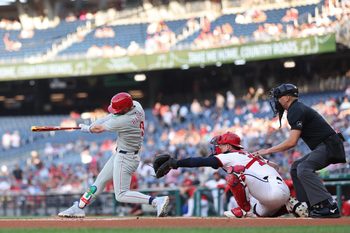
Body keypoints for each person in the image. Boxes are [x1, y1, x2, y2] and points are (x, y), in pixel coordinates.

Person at [58, 92, 169, 218]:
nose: (116, 111)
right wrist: (91, 125)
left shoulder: (124, 121)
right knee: (99, 181)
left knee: (121, 194)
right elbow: (110, 116)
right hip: (122, 154)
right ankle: (79, 207)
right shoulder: (136, 105)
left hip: (125, 158)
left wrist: (88, 129)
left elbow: (99, 129)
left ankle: (156, 201)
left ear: (125, 109)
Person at [253, 83, 346, 218]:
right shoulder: (296, 108)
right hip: (327, 144)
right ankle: (307, 206)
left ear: (286, 98)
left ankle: (329, 206)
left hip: (329, 145)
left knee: (304, 168)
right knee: (296, 168)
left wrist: (267, 151)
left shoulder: (295, 109)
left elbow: (291, 142)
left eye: (278, 97)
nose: (276, 101)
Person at [154, 132, 295, 218]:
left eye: (220, 145)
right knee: (257, 214)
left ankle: (243, 210)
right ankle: (291, 206)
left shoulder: (231, 156)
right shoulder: (248, 155)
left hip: (269, 191)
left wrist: (175, 163)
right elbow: (276, 166)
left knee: (234, 172)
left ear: (228, 146)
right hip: (277, 190)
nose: (217, 147)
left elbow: (201, 161)